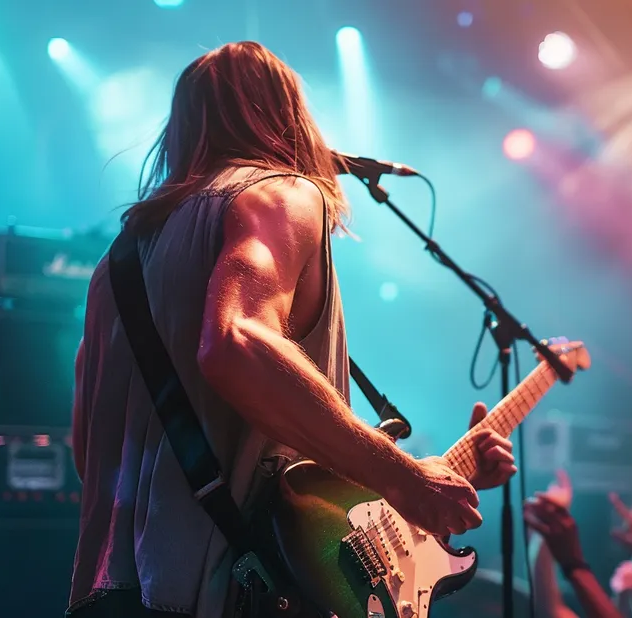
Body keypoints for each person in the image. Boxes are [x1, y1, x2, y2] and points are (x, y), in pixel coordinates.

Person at [67, 41, 517, 618]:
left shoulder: (114, 265)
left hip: (114, 596)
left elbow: (90, 452)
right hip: (236, 592)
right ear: (289, 115)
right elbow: (234, 343)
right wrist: (402, 478)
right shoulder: (283, 192)